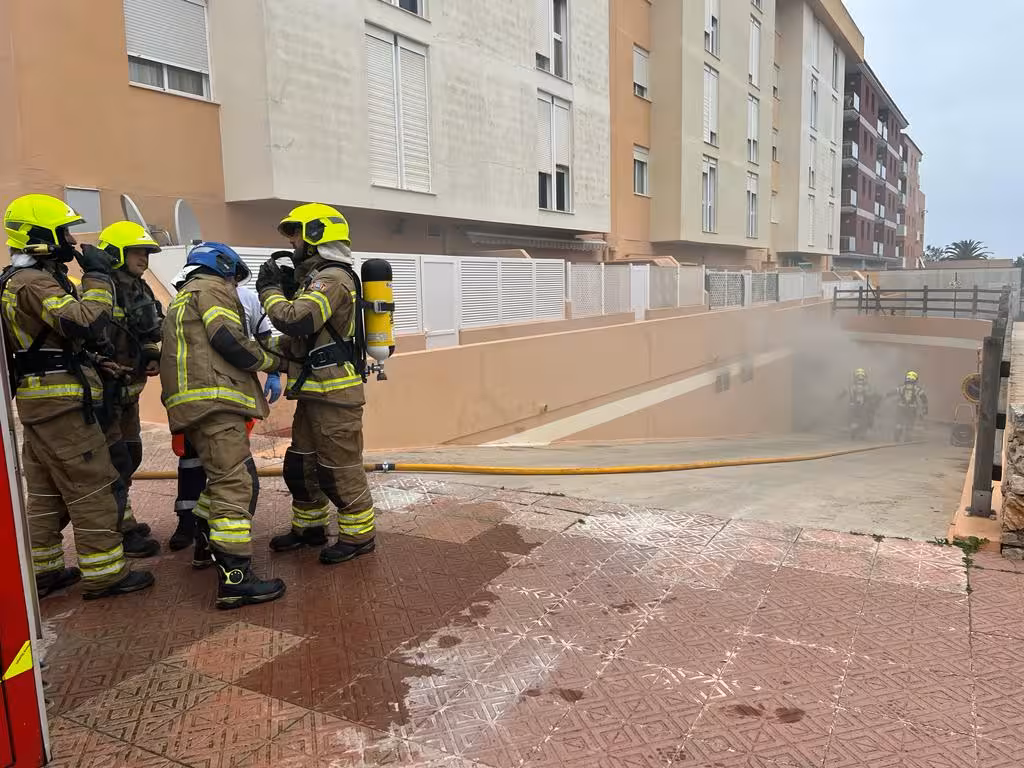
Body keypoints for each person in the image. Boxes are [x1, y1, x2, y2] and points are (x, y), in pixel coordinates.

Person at [1, 193, 154, 599]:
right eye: (63, 231)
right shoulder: (32, 282)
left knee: (47, 491)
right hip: (61, 407)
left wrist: (96, 365)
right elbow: (85, 322)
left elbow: (54, 343)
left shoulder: (20, 279)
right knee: (93, 485)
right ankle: (106, 573)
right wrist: (99, 278)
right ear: (41, 235)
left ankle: (44, 570)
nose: (70, 239)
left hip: (42, 404)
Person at [160, 241, 285, 608]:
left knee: (224, 480)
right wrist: (273, 363)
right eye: (234, 279)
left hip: (194, 406)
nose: (234, 287)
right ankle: (235, 578)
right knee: (236, 486)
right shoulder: (212, 289)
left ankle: (203, 543)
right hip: (216, 404)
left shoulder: (182, 297)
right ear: (223, 268)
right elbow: (228, 338)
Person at [257, 204, 376, 565]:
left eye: (295, 234)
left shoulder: (334, 279)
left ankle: (359, 536)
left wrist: (270, 291)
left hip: (335, 395)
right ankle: (309, 527)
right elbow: (304, 342)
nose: (291, 242)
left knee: (339, 469)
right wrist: (258, 342)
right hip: (313, 393)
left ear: (315, 236)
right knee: (301, 466)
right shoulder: (317, 279)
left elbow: (298, 320)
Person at [97, 221, 163, 558]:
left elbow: (150, 328)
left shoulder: (142, 289)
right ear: (116, 253)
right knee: (114, 461)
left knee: (131, 455)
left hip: (130, 393)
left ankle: (125, 520)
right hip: (106, 394)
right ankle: (119, 531)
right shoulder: (101, 289)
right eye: (138, 251)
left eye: (147, 252)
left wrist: (151, 353)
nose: (144, 258)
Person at [889, 370, 928, 442]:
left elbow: (892, 393)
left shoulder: (902, 387)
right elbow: (924, 398)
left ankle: (897, 436)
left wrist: (886, 397)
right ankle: (907, 437)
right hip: (912, 409)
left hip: (901, 407)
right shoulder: (917, 389)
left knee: (899, 422)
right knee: (909, 423)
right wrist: (925, 409)